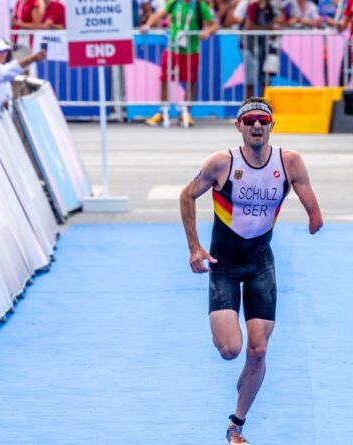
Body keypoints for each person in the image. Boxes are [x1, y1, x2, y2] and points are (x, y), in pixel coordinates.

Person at [179, 97, 322, 445]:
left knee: (257, 350)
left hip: (260, 264)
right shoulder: (221, 163)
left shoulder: (289, 162)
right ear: (239, 126)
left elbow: (310, 202)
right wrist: (195, 248)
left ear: (272, 125)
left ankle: (236, 425)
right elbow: (186, 196)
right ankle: (245, 381)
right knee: (231, 350)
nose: (256, 126)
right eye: (250, 121)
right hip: (224, 265)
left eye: (263, 120)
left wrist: (314, 218)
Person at [142, 0, 218, 127]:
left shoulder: (200, 6)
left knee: (190, 81)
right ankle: (163, 111)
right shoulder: (174, 3)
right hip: (172, 48)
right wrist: (148, 25)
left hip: (191, 50)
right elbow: (158, 14)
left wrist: (207, 32)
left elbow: (214, 25)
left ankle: (185, 113)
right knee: (164, 78)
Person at [0, 36, 46, 115]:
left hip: (1, 113)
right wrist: (32, 58)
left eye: (5, 51)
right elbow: (6, 72)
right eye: (0, 52)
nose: (4, 54)